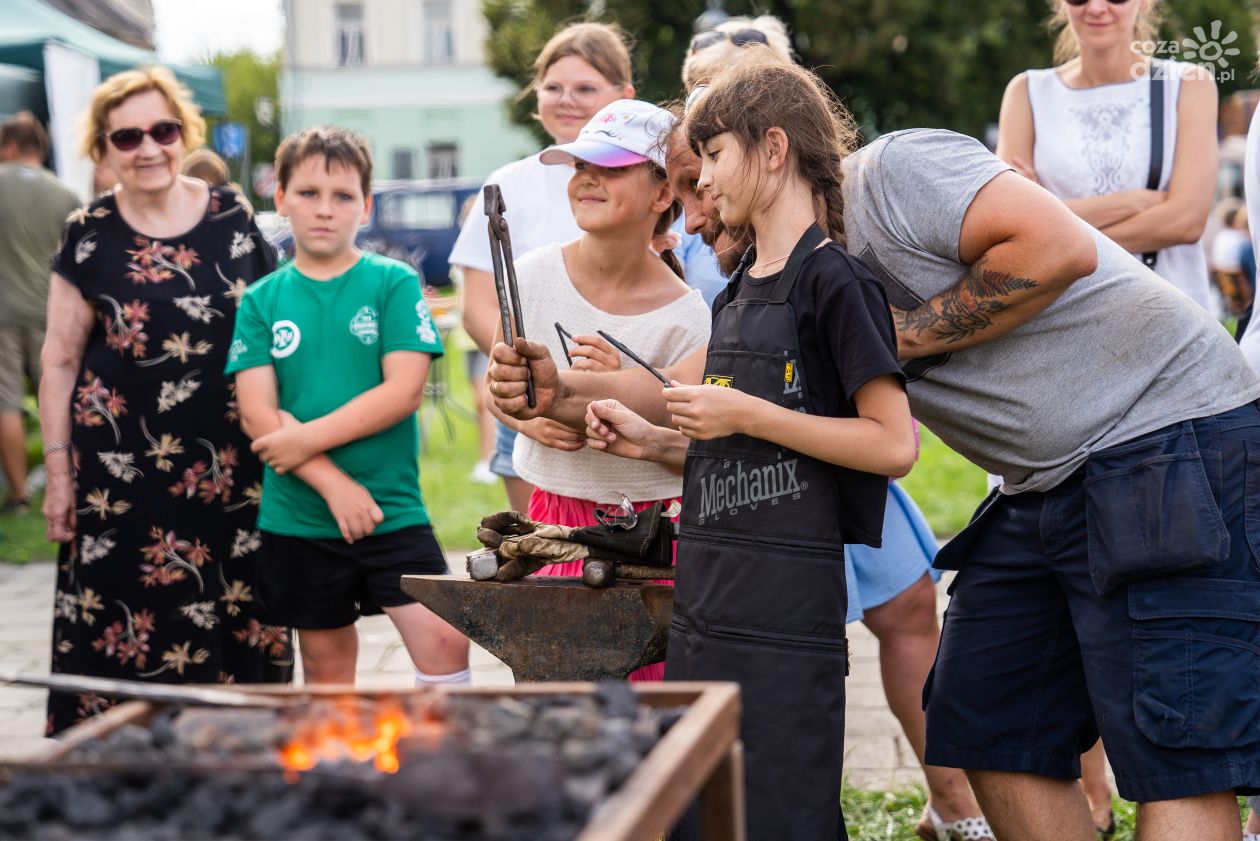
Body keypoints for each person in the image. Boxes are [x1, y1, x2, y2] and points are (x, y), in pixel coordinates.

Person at [493, 46, 1260, 841]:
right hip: (1040, 482)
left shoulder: (896, 172)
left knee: (1179, 750)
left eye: (699, 178)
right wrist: (561, 389)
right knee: (986, 722)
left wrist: (887, 338)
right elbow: (691, 384)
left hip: (1172, 437)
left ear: (769, 149)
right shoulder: (779, 278)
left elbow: (1055, 247)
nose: (690, 215)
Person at [679, 17, 993, 838]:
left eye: (714, 155)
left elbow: (893, 443)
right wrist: (628, 414)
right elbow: (736, 443)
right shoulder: (736, 289)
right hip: (708, 609)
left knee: (783, 810)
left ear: (773, 148)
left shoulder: (837, 282)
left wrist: (746, 411)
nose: (702, 179)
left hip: (787, 621)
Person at [39, 67, 292, 734]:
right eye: (127, 136)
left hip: (233, 470)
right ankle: (116, 762)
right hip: (117, 477)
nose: (148, 147)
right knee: (123, 615)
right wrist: (59, 477)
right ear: (103, 148)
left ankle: (239, 755)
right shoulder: (86, 232)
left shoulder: (232, 214)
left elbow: (276, 329)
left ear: (184, 134)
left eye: (163, 129)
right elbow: (60, 360)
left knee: (236, 611)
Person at [227, 126, 470, 688]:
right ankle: (334, 771)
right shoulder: (263, 300)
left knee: (444, 641)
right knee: (328, 666)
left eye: (342, 196)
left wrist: (305, 438)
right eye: (308, 193)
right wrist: (333, 483)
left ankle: (444, 768)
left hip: (390, 506)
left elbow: (402, 392)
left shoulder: (393, 283)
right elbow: (259, 415)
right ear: (281, 199)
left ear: (365, 206)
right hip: (300, 514)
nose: (324, 210)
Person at [501, 100, 711, 681]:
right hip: (553, 517)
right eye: (578, 166)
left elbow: (684, 427)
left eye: (613, 167)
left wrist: (619, 383)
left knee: (646, 699)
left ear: (663, 193)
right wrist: (525, 417)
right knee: (556, 688)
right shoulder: (531, 275)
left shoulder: (689, 318)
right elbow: (508, 387)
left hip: (652, 529)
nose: (588, 177)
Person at [997, 0, 1216, 313]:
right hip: (1060, 316)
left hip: (1167, 315)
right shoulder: (1027, 92)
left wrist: (1053, 222)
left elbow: (1185, 222)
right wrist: (1128, 203)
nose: (1097, 8)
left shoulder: (1187, 84)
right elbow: (1009, 223)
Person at [0, 112, 80, 512]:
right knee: (61, 395)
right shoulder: (65, 195)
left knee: (6, 404)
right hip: (53, 314)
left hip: (2, 315)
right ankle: (68, 477)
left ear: (10, 146)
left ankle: (18, 495)